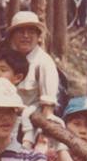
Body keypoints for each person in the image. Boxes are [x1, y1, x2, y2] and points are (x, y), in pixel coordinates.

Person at [4, 11, 60, 143]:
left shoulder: (44, 63)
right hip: (6, 125)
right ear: (12, 36)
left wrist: (40, 138)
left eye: (31, 32)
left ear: (38, 37)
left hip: (29, 131)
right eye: (20, 32)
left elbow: (48, 110)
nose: (26, 36)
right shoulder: (7, 59)